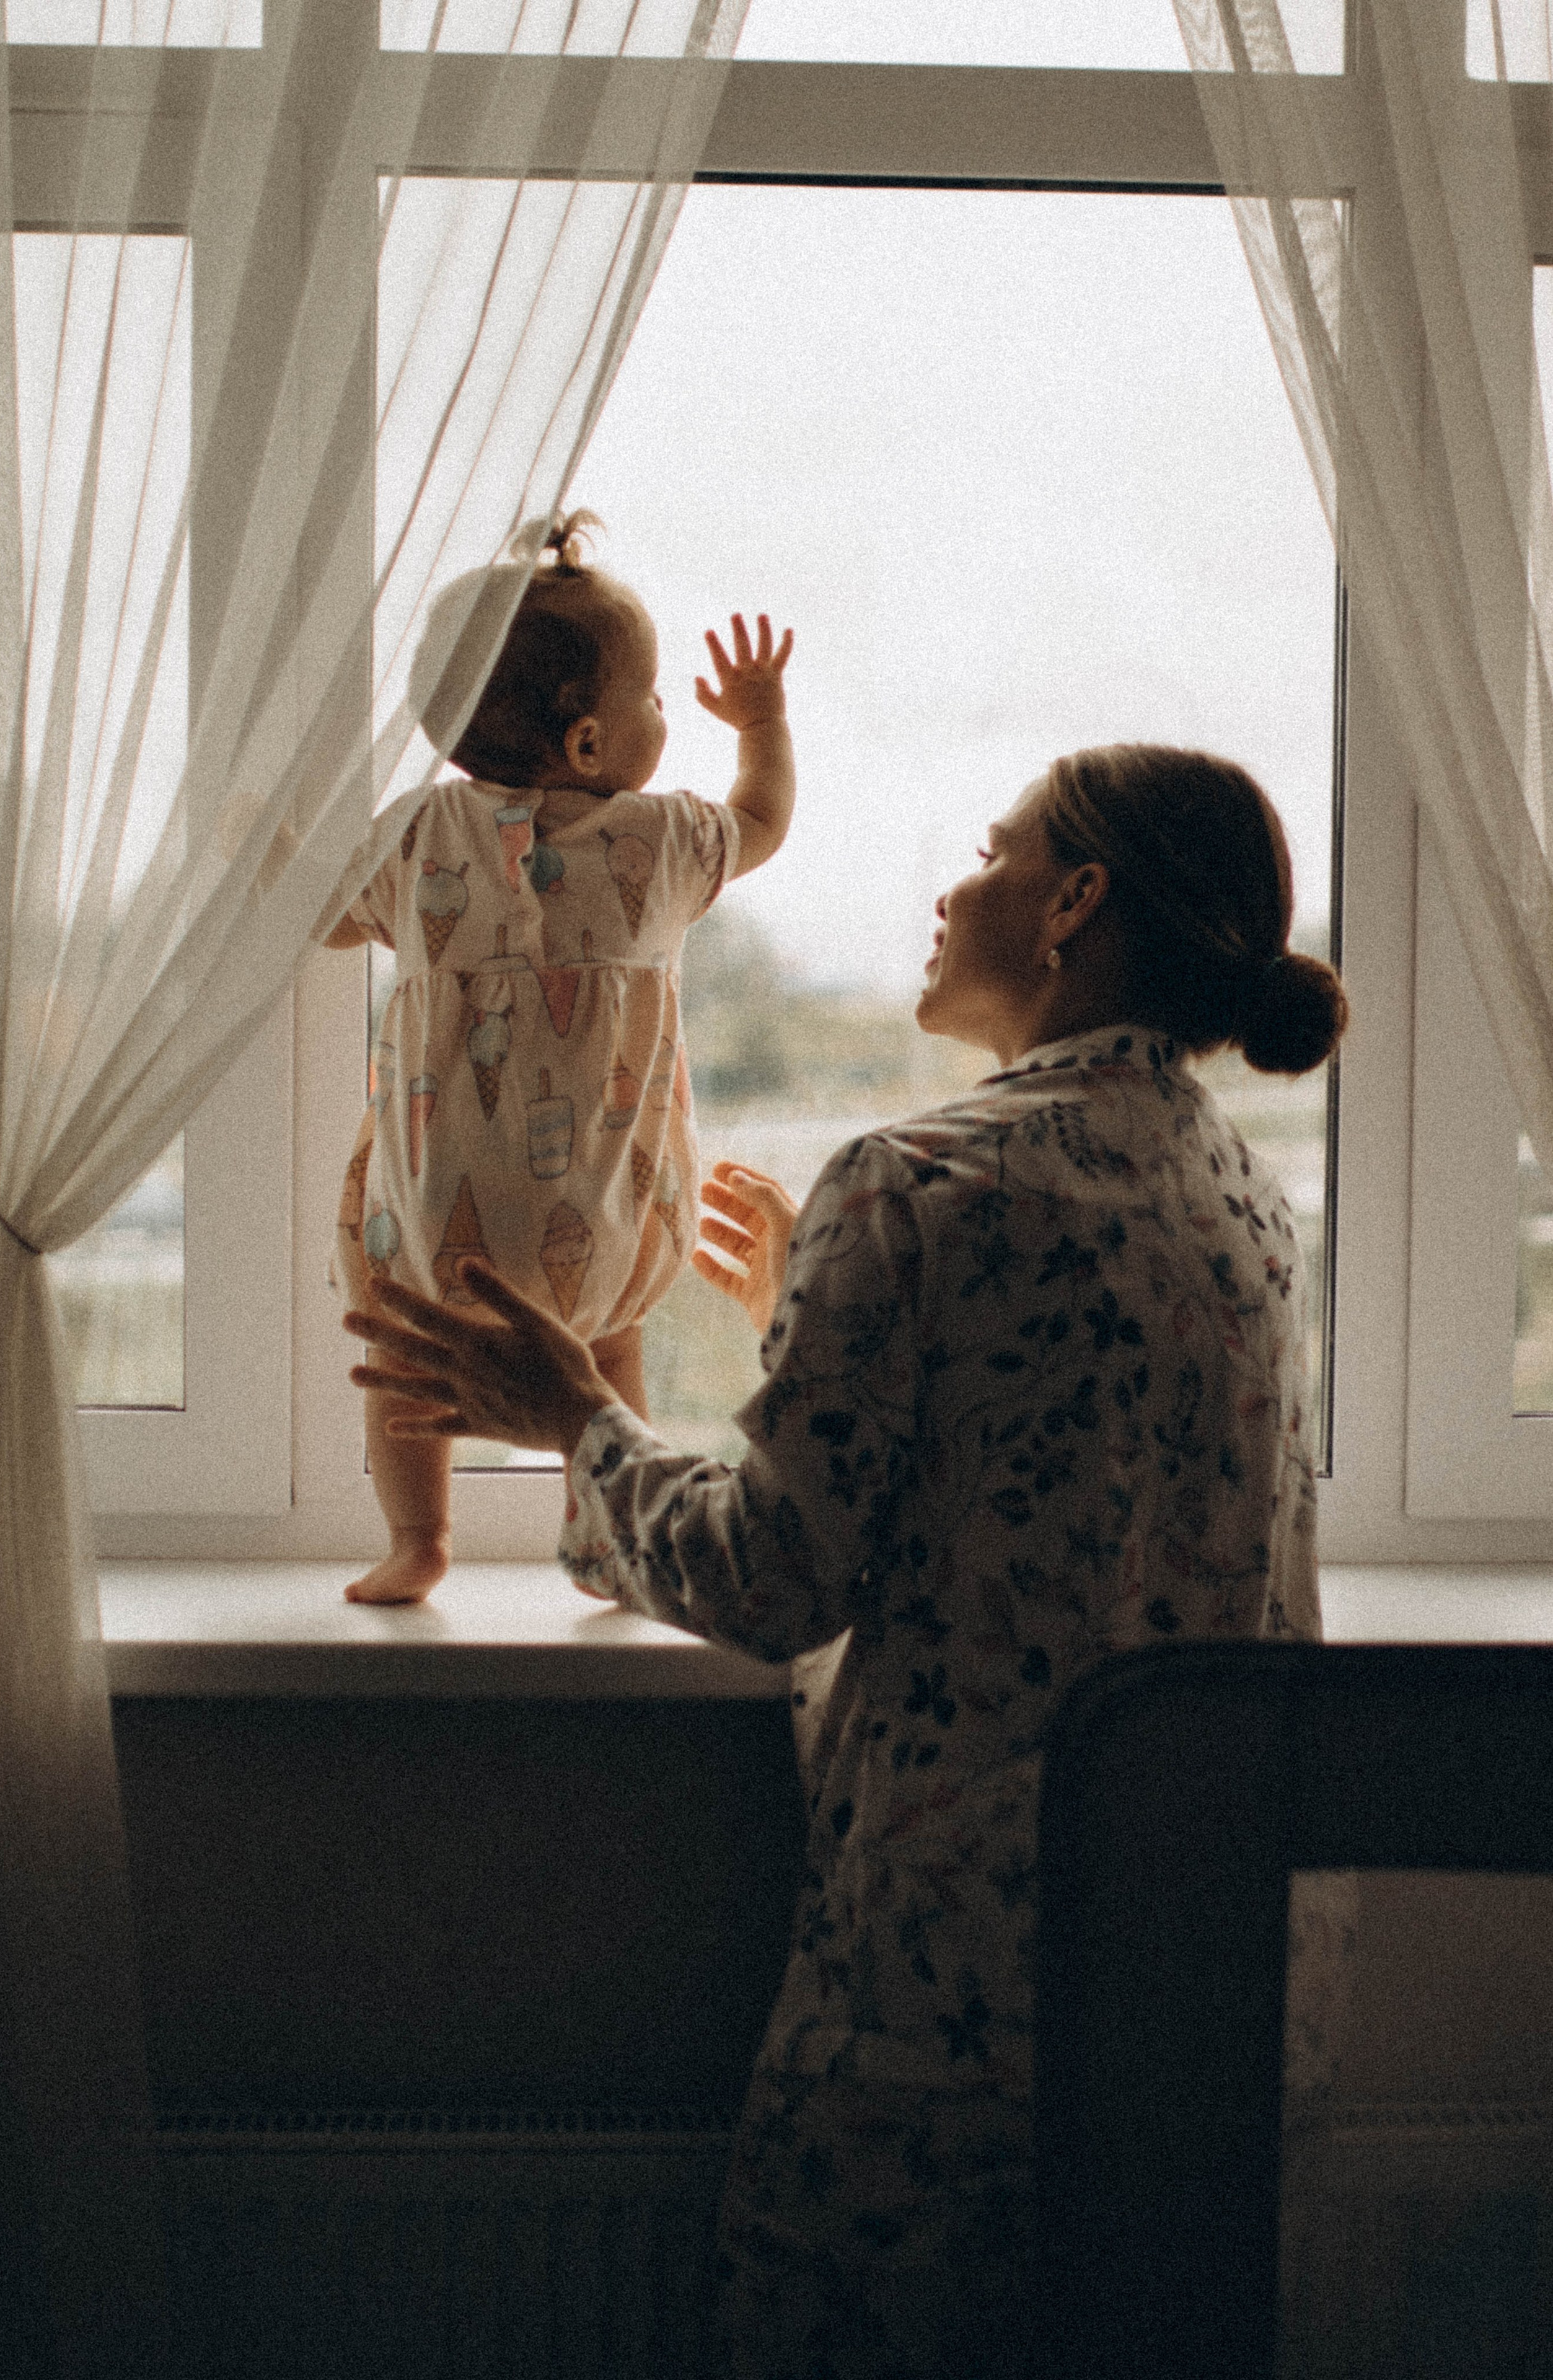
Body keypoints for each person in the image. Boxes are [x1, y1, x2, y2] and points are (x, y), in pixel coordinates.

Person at [343, 743, 1350, 2375]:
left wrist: (581, 1415)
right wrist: (804, 1332)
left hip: (956, 2008)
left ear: (1075, 903)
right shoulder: (1235, 1194)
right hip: (1208, 1988)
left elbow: (770, 1580)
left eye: (993, 849)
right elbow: (1039, 1469)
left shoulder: (925, 1183)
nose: (954, 887)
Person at [326, 512, 794, 1603]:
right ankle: (604, 1534)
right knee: (613, 1348)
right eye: (655, 698)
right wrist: (762, 721)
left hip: (440, 1211)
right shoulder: (662, 840)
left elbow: (331, 919)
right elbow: (762, 818)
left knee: (407, 1370)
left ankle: (420, 1539)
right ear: (589, 743)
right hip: (606, 1202)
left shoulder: (419, 837)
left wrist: (278, 846)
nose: (665, 717)